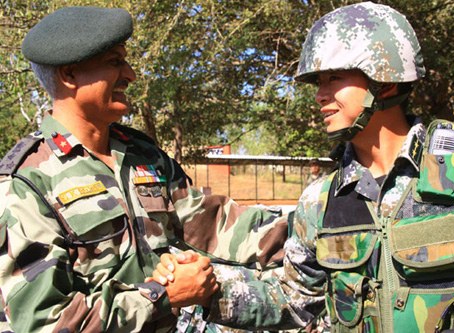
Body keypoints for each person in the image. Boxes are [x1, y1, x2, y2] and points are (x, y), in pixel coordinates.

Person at [155, 2, 454, 332]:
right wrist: (209, 289)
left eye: (334, 78)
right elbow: (292, 299)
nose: (320, 95)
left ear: (385, 81)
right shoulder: (320, 201)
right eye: (319, 82)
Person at [0, 6, 288, 332]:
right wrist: (161, 295)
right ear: (69, 75)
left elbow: (214, 223)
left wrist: (310, 233)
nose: (130, 74)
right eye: (114, 62)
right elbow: (44, 321)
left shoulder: (142, 156)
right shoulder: (25, 183)